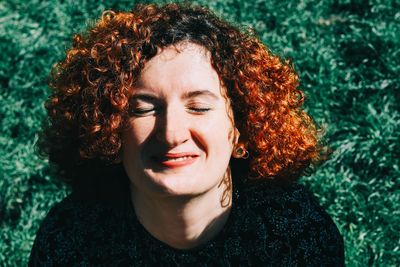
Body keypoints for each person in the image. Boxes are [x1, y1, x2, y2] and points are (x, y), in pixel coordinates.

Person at [29, 3, 344, 266]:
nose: (171, 134)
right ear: (108, 129)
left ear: (242, 129)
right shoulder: (71, 240)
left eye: (199, 107)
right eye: (143, 109)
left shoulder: (297, 235)